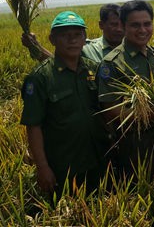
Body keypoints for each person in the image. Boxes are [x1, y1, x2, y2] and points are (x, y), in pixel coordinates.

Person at [20, 11, 106, 199]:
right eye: (64, 35)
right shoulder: (40, 78)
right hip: (64, 166)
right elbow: (33, 126)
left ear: (85, 38)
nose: (72, 41)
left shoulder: (93, 69)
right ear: (52, 39)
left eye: (77, 35)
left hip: (98, 160)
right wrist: (42, 168)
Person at [98, 0, 154, 177]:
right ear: (122, 26)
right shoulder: (113, 63)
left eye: (147, 24)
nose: (142, 30)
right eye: (135, 25)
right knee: (143, 194)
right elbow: (110, 109)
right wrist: (149, 114)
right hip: (137, 142)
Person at [21, 3, 124, 63]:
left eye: (122, 24)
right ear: (101, 25)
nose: (119, 29)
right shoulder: (87, 48)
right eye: (114, 25)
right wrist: (35, 45)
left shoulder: (135, 46)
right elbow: (56, 63)